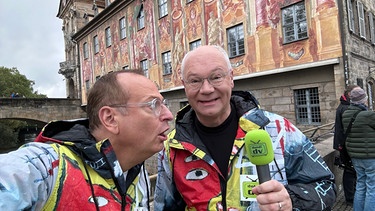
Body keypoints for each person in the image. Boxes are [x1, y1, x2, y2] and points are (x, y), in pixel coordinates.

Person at [154, 45, 337, 211]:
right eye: (195, 80)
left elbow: (327, 186)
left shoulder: (279, 130)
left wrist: (292, 200)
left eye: (216, 77)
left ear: (231, 78)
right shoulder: (171, 148)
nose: (207, 89)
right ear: (184, 85)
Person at [0, 70, 174, 210]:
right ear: (110, 119)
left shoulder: (136, 170)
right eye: (153, 105)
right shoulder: (48, 166)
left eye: (164, 104)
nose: (168, 115)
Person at [342, 87, 375, 211]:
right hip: (370, 156)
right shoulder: (368, 115)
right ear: (363, 100)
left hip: (355, 156)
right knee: (372, 187)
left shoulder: (346, 114)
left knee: (361, 184)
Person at [333, 84, 359, 205]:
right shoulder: (345, 107)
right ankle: (350, 198)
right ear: (349, 94)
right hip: (345, 144)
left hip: (344, 143)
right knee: (349, 171)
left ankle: (351, 196)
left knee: (351, 171)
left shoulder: (345, 105)